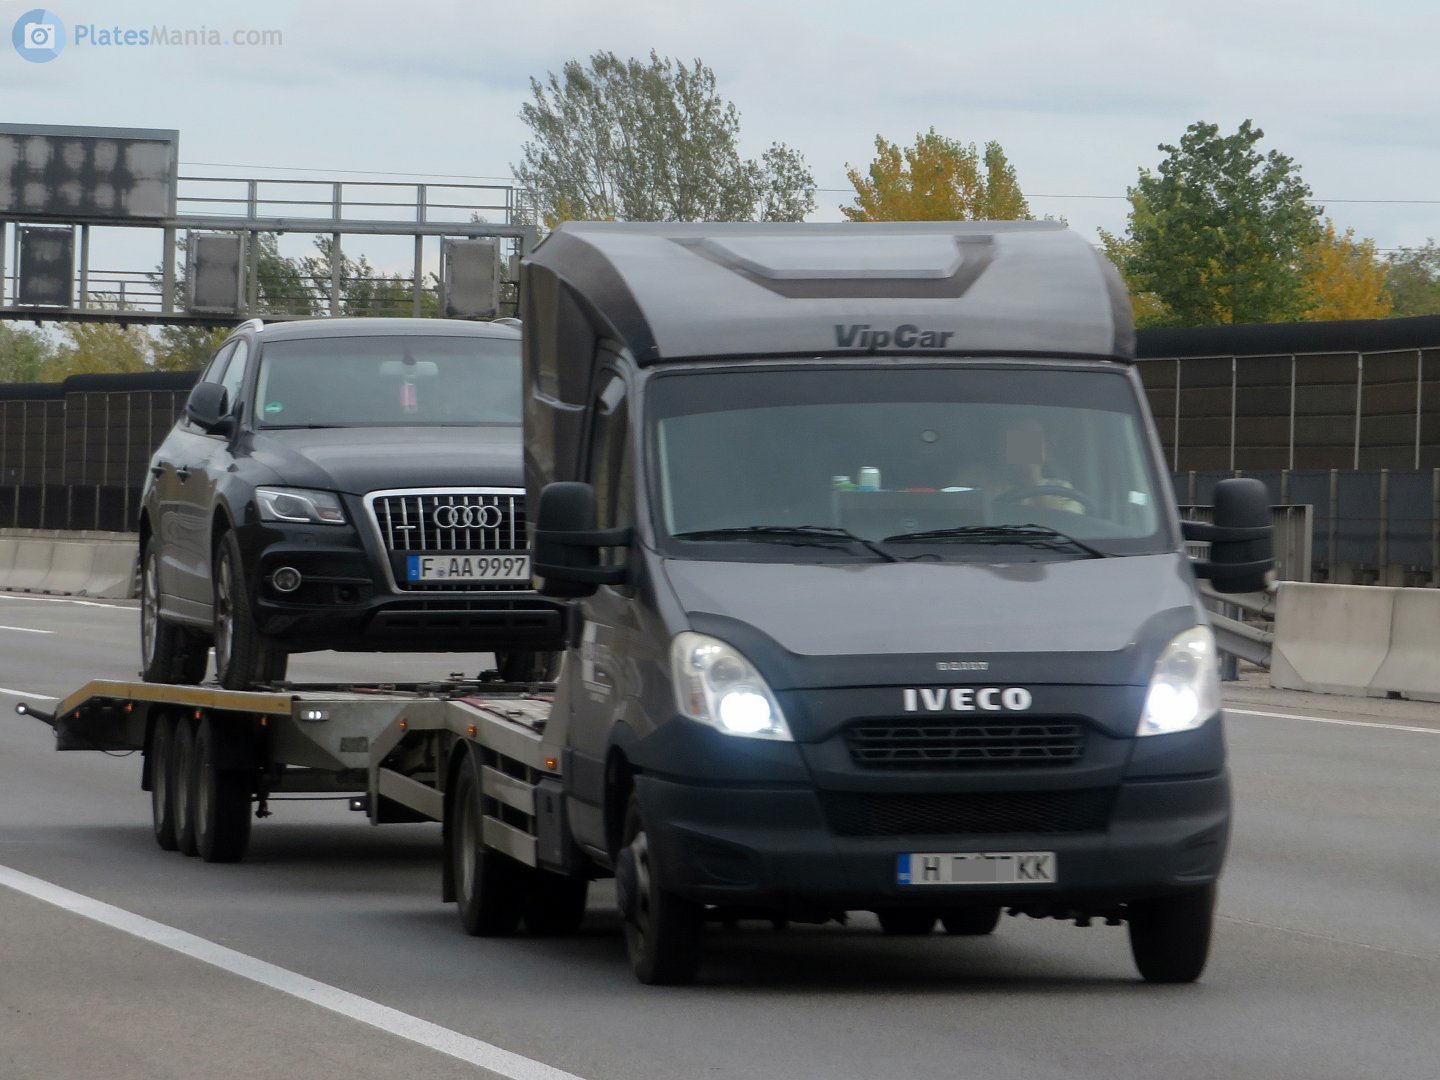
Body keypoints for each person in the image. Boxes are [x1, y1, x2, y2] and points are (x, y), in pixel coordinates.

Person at [956, 414, 1085, 515]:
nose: (1024, 450)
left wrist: (1034, 483)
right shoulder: (975, 479)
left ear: (1045, 451)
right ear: (1000, 450)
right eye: (1017, 442)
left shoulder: (1062, 490)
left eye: (1031, 443)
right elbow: (949, 511)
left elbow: (1069, 530)